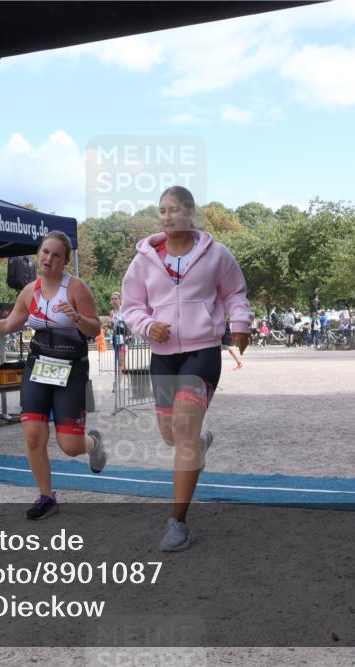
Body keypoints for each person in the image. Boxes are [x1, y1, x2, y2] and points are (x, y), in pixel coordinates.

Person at [121, 185, 251, 552]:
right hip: (163, 355)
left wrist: (240, 323)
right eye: (161, 210)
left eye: (174, 209)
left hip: (202, 351)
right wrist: (148, 326)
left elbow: (234, 293)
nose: (166, 216)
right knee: (171, 435)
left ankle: (177, 523)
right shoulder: (144, 260)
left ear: (191, 212)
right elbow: (131, 305)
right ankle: (198, 446)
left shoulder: (216, 254)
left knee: (183, 429)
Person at [0, 231, 106, 521]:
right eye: (45, 252)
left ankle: (94, 444)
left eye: (56, 254)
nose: (48, 258)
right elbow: (8, 325)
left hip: (71, 369)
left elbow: (95, 329)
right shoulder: (29, 291)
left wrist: (76, 317)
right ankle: (46, 496)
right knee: (33, 435)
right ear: (39, 254)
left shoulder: (75, 288)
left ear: (64, 260)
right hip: (38, 367)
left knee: (70, 446)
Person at [108, 291, 129, 374]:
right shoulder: (111, 313)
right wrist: (108, 326)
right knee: (120, 361)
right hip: (115, 338)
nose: (114, 300)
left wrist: (128, 335)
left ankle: (119, 385)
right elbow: (112, 327)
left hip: (124, 337)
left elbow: (128, 325)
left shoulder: (124, 311)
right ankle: (127, 381)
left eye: (115, 299)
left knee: (121, 361)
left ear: (120, 300)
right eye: (112, 299)